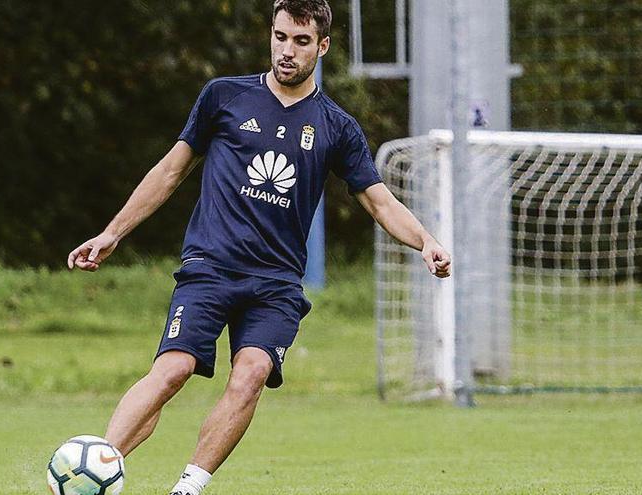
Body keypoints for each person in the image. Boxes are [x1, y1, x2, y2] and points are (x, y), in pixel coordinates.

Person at [66, 1, 451, 493]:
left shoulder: (337, 127)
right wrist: (111, 233)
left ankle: (186, 488)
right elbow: (169, 171)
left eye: (301, 41)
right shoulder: (223, 96)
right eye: (280, 37)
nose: (287, 50)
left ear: (323, 46)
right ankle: (96, 469)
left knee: (251, 372)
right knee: (173, 369)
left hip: (275, 284)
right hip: (209, 267)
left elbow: (379, 202)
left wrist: (426, 240)